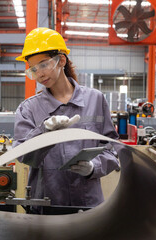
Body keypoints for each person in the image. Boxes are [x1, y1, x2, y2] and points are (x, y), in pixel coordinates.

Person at [13, 27, 119, 209]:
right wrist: (43, 132)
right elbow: (24, 155)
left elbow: (112, 149)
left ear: (61, 60)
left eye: (44, 64)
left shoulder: (95, 100)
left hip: (88, 207)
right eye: (33, 69)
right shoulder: (29, 109)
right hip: (46, 207)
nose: (39, 74)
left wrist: (94, 166)